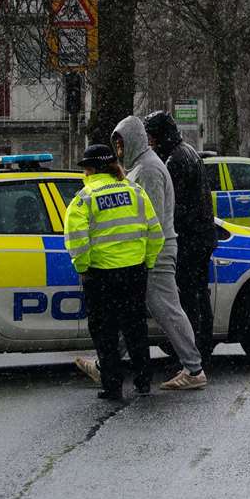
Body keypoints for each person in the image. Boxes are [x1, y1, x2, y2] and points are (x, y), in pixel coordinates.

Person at [113, 116, 206, 391]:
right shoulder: (143, 166)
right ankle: (106, 363)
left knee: (167, 310)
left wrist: (143, 254)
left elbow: (149, 217)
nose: (119, 149)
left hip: (156, 251)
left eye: (121, 142)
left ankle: (194, 369)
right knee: (134, 309)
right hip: (152, 250)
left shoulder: (149, 169)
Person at [66, 144, 162, 401]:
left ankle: (112, 386)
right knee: (135, 328)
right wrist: (147, 261)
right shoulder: (135, 191)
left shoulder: (84, 199)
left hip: (101, 276)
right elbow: (156, 233)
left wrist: (83, 268)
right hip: (134, 272)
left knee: (105, 333)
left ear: (91, 169)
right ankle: (143, 382)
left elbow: (77, 240)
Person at [145, 110, 216, 362]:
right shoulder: (187, 152)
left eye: (151, 137)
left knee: (188, 297)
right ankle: (201, 345)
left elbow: (173, 205)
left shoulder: (175, 160)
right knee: (197, 293)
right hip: (200, 236)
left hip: (189, 238)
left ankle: (193, 348)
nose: (149, 142)